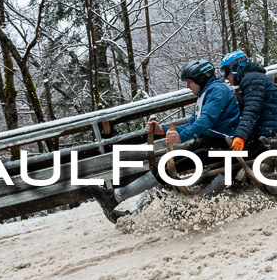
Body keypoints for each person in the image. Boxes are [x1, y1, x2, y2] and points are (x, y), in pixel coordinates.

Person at [88, 59, 240, 223]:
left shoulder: (217, 91)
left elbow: (204, 122)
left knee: (167, 167)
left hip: (219, 146)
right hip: (208, 143)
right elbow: (192, 125)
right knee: (166, 170)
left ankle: (115, 197)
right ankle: (131, 212)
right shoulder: (207, 93)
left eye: (189, 81)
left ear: (201, 78)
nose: (187, 86)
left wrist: (180, 137)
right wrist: (163, 130)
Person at [220, 51, 277, 158]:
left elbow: (252, 109)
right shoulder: (252, 78)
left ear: (235, 69)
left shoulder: (252, 79)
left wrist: (240, 136)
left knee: (226, 160)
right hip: (263, 131)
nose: (226, 77)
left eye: (226, 72)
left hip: (266, 135)